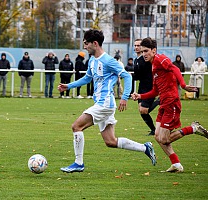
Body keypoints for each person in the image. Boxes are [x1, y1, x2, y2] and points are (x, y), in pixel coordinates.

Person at [58, 29, 156, 173]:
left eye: (86, 43)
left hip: (105, 104)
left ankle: (78, 163)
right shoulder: (92, 60)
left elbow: (127, 76)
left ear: (95, 43)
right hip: (102, 104)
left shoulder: (108, 60)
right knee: (110, 142)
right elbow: (87, 78)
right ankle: (145, 148)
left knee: (76, 127)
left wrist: (124, 97)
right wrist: (69, 86)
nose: (84, 46)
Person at [132, 37, 208, 173]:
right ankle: (176, 164)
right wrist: (140, 96)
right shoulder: (154, 66)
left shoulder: (161, 59)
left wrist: (183, 85)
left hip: (172, 102)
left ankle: (193, 128)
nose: (143, 54)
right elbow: (155, 90)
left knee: (164, 138)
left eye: (146, 51)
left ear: (154, 50)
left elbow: (175, 69)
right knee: (157, 136)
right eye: (142, 51)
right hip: (163, 103)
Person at [133, 38, 159, 136]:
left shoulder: (147, 60)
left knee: (144, 110)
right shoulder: (137, 60)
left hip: (150, 87)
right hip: (142, 87)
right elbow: (138, 75)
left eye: (138, 45)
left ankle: (158, 101)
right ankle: (153, 130)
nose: (136, 47)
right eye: (135, 45)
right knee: (141, 110)